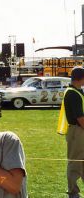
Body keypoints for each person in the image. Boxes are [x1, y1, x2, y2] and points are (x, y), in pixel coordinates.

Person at [63, 67, 84, 198]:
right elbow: (80, 118)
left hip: (79, 130)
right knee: (75, 162)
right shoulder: (73, 93)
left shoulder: (77, 91)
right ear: (81, 78)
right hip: (78, 131)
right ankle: (73, 192)